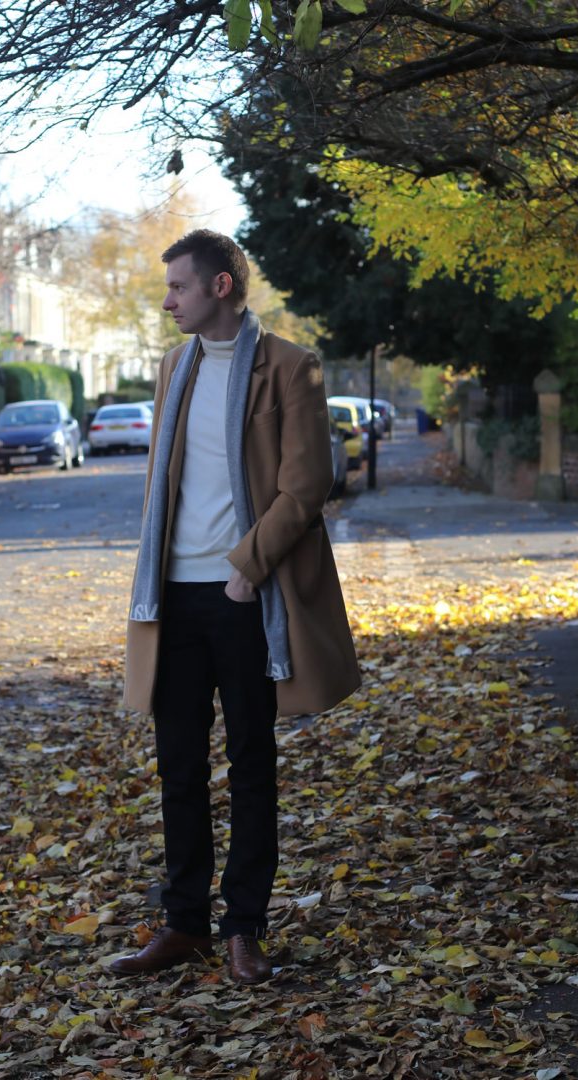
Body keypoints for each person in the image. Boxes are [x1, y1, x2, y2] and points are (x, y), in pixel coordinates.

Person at [113, 230, 360, 984]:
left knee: (252, 763)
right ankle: (183, 922)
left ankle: (242, 928)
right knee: (177, 767)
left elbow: (307, 486)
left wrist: (248, 569)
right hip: (173, 600)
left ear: (220, 287)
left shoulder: (290, 368)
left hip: (245, 595)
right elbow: (168, 480)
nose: (167, 300)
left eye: (178, 287)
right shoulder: (173, 366)